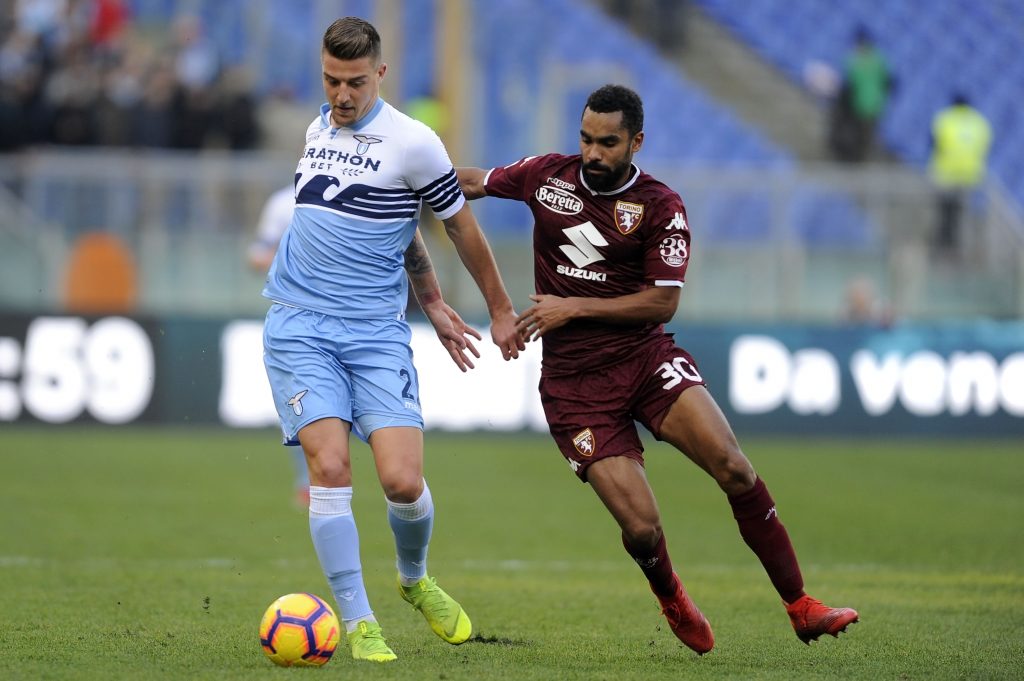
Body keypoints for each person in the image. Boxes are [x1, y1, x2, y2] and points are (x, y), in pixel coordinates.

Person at [456, 84, 858, 655]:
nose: (593, 153)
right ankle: (670, 594)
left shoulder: (660, 206)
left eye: (608, 143)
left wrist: (573, 306)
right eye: (586, 139)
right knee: (642, 528)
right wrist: (403, 171)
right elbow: (469, 181)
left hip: (645, 359)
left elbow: (663, 301)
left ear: (636, 141)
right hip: (575, 386)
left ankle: (801, 605)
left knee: (735, 468)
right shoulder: (546, 176)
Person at [260, 17, 523, 664]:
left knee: (403, 482)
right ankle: (358, 621)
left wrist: (485, 306)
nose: (341, 94)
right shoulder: (316, 128)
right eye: (330, 79)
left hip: (375, 334)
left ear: (379, 74)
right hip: (298, 324)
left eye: (353, 81)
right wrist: (427, 294)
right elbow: (373, 214)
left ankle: (413, 579)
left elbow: (455, 228)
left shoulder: (415, 143)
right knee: (330, 468)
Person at [246, 185, 311, 506]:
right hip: (295, 318)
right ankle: (308, 483)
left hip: (351, 318)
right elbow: (257, 257)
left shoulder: (365, 189)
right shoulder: (283, 203)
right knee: (301, 401)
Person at [927, 93, 993, 258]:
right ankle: (960, 251)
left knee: (945, 214)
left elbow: (933, 144)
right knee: (960, 214)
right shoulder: (979, 122)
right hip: (969, 177)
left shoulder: (944, 119)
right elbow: (985, 147)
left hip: (946, 176)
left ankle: (944, 249)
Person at [836, 25, 892, 162]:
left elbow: (848, 85)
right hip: (869, 105)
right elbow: (889, 82)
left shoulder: (854, 60)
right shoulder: (879, 60)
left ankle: (857, 160)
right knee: (863, 135)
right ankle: (858, 159)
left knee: (861, 135)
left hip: (862, 105)